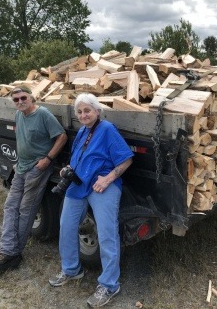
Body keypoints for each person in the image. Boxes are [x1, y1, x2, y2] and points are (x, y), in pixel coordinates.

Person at [49, 93, 133, 308]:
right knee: (66, 225)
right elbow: (78, 156)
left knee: (106, 234)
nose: (83, 114)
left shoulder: (107, 129)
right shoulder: (83, 131)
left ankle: (109, 285)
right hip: (79, 183)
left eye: (87, 110)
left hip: (101, 185)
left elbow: (126, 159)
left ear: (97, 111)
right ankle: (71, 270)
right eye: (80, 111)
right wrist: (69, 168)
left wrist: (108, 178)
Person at [0, 85, 67, 273]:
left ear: (31, 98)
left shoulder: (43, 115)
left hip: (37, 169)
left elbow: (61, 137)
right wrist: (18, 160)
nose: (20, 102)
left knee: (26, 209)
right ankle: (7, 250)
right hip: (21, 167)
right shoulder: (18, 116)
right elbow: (21, 139)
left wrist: (47, 159)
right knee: (10, 206)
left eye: (23, 98)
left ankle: (13, 253)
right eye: (16, 100)